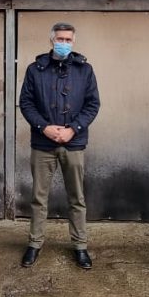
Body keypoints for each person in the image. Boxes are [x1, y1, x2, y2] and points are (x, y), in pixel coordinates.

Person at [18, 22, 101, 270]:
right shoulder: (35, 69)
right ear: (51, 40)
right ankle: (35, 243)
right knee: (38, 197)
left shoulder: (85, 70)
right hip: (42, 142)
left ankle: (80, 245)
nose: (64, 43)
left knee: (76, 197)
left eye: (68, 40)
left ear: (73, 42)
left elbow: (92, 105)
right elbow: (26, 102)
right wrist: (44, 127)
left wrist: (72, 129)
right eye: (60, 39)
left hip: (73, 142)